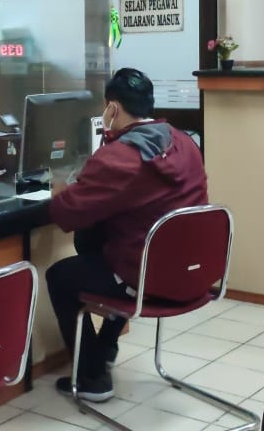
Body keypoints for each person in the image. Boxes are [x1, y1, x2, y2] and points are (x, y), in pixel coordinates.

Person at [45, 68, 208, 402]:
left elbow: (66, 214)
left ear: (112, 108)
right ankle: (105, 348)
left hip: (146, 279)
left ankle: (91, 377)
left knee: (60, 276)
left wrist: (59, 191)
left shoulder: (120, 157)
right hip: (192, 275)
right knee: (97, 243)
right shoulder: (185, 143)